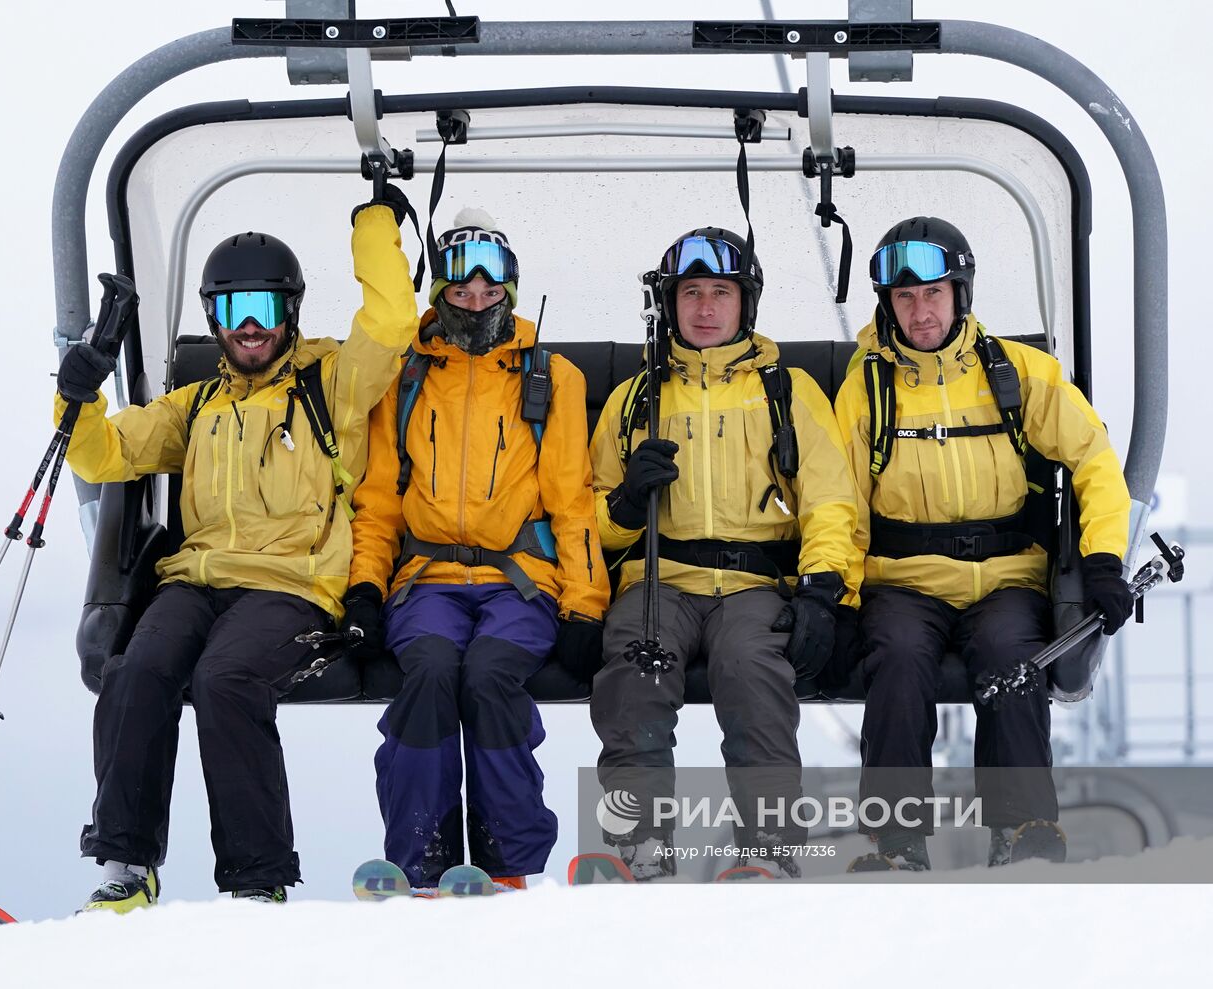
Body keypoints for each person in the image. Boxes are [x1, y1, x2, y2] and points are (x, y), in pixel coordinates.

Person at [55, 187, 419, 910]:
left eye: (263, 307)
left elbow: (392, 320)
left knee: (225, 679)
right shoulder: (196, 405)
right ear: (212, 318)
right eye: (229, 309)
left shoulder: (331, 384)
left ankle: (257, 879)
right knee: (136, 671)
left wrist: (373, 221)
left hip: (292, 584)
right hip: (195, 582)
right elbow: (99, 456)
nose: (248, 326)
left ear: (290, 310)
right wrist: (80, 392)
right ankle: (124, 869)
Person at [834, 216, 1134, 869]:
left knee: (1011, 658)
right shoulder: (868, 388)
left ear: (960, 292)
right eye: (904, 299)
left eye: (933, 294)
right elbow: (840, 500)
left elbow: (1095, 462)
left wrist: (1105, 557)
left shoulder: (1017, 374)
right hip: (904, 578)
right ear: (887, 304)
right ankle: (896, 840)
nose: (920, 312)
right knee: (900, 658)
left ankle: (1022, 828)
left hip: (1004, 577)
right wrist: (837, 590)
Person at [345, 209, 610, 891]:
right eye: (461, 293)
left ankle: (510, 862)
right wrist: (366, 587)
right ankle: (421, 858)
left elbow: (572, 499)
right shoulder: (405, 378)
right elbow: (378, 499)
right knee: (430, 672)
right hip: (426, 577)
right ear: (440, 294)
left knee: (490, 676)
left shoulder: (550, 376)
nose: (475, 304)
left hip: (518, 579)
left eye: (489, 293)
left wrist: (584, 603)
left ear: (510, 294)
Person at [587, 227, 861, 880]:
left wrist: (823, 587)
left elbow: (831, 500)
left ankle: (767, 847)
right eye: (690, 293)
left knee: (750, 669)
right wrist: (626, 507)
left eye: (720, 293)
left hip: (752, 582)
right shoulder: (635, 401)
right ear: (671, 304)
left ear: (746, 304)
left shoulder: (785, 392)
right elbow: (584, 518)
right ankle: (641, 844)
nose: (705, 308)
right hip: (662, 580)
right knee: (635, 666)